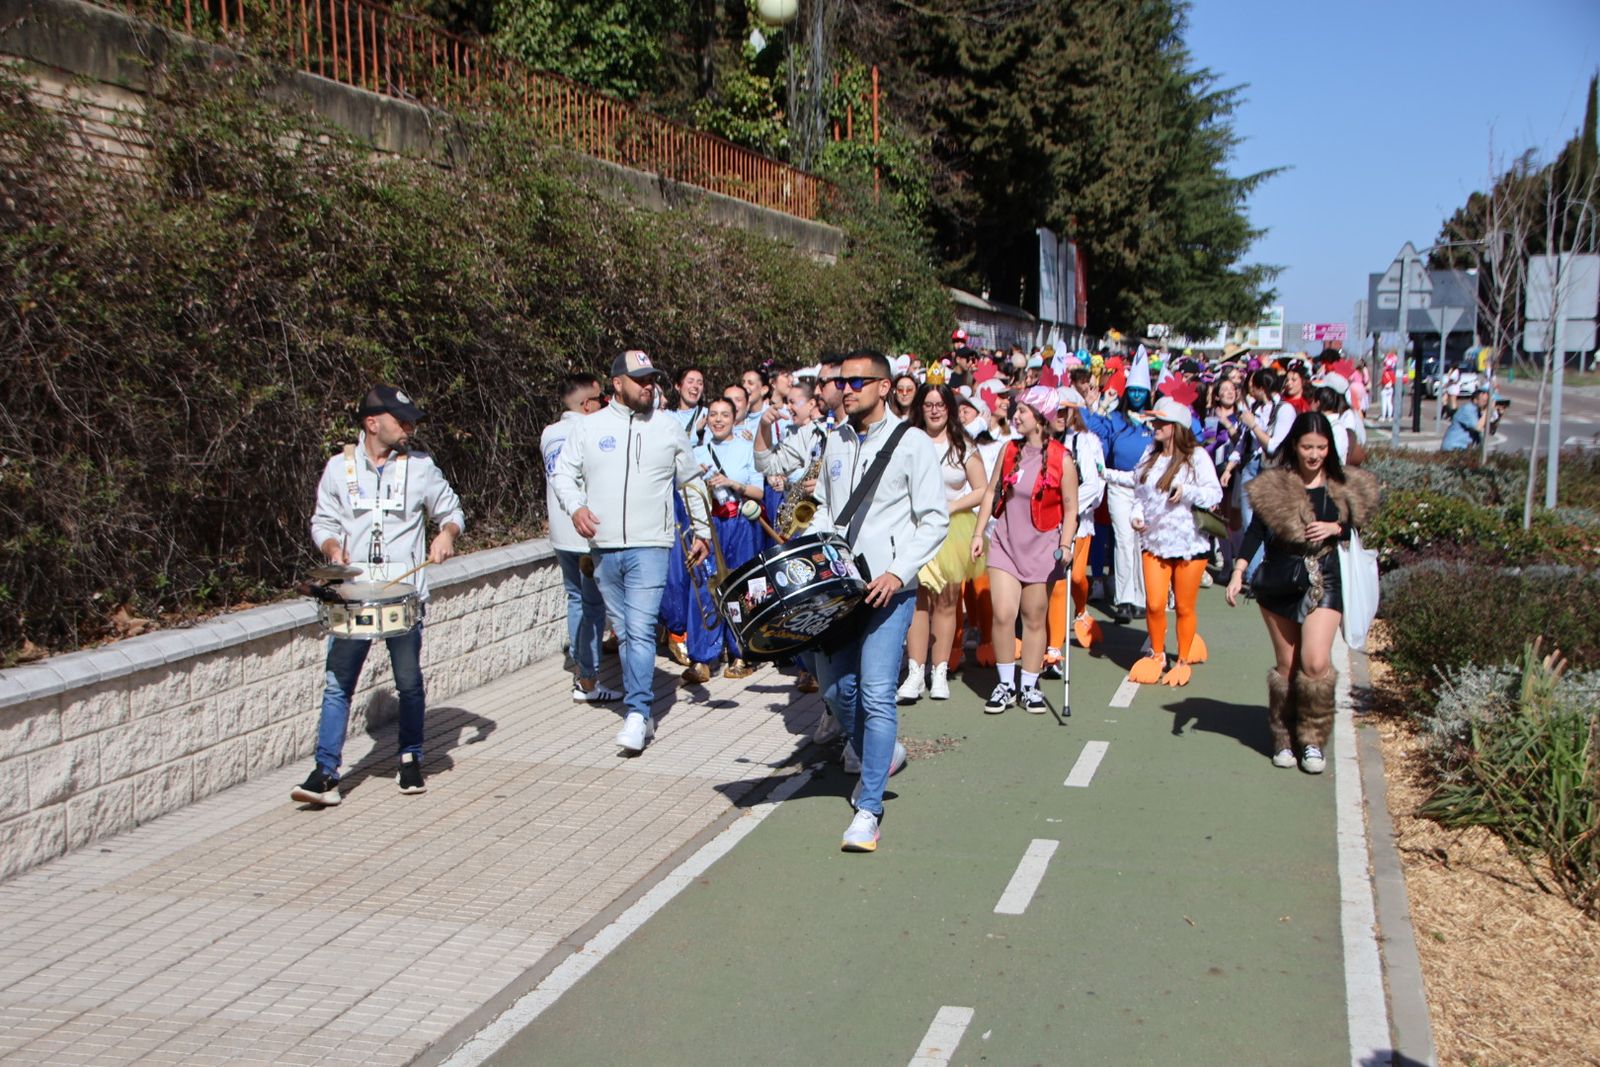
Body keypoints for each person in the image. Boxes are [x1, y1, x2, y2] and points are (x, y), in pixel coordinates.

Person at [291, 385, 465, 807]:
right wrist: (331, 548)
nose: (409, 428)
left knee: (408, 681)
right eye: (401, 421)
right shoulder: (338, 468)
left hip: (404, 594)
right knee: (338, 684)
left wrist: (446, 535)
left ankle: (410, 757)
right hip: (354, 596)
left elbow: (452, 510)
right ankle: (326, 772)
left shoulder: (421, 467)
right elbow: (323, 520)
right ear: (372, 423)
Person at [806, 349, 948, 852]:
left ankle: (868, 809)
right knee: (837, 692)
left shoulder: (911, 444)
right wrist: (817, 541)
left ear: (884, 387)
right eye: (841, 382)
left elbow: (935, 518)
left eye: (857, 381)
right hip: (840, 591)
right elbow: (824, 506)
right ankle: (883, 752)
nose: (846, 389)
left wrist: (897, 571)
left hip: (890, 590)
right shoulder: (836, 440)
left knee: (875, 693)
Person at [550, 351, 711, 754]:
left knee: (639, 631)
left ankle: (637, 712)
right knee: (626, 633)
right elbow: (563, 474)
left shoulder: (668, 427)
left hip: (651, 545)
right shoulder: (590, 428)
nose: (648, 385)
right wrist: (577, 508)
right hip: (603, 548)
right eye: (640, 379)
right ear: (617, 384)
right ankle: (643, 710)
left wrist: (702, 530)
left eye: (652, 378)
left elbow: (691, 480)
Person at [1226, 412, 1379, 773]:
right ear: (1294, 446)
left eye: (1321, 448)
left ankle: (1311, 738)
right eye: (1307, 447)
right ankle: (1283, 734)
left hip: (1324, 576)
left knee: (1314, 662)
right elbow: (1255, 532)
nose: (1314, 455)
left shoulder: (1344, 485)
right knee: (1288, 665)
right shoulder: (1274, 484)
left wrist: (1335, 527)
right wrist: (1238, 571)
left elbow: (1358, 526)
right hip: (1279, 577)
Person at [970, 385, 1079, 713]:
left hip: (1043, 546)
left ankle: (1029, 685)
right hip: (1005, 542)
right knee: (1003, 613)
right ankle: (1005, 683)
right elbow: (990, 493)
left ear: (1041, 419)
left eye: (1023, 412)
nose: (1015, 416)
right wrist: (978, 533)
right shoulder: (1008, 450)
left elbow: (1072, 508)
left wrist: (1066, 544)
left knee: (1034, 617)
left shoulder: (1063, 459)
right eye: (1016, 410)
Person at [1105, 396, 1221, 687]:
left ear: (1176, 427)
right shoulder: (1150, 454)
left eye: (1160, 422)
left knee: (1183, 606)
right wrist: (1136, 514)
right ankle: (1157, 655)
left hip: (1189, 545)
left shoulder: (1197, 457)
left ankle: (1181, 659)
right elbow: (1139, 492)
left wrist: (1187, 491)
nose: (1154, 426)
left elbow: (1214, 494)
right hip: (1154, 543)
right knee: (1155, 604)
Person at [898, 383, 989, 702]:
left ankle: (940, 672)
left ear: (949, 408)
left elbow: (981, 489)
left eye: (940, 404)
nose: (935, 410)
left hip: (951, 530)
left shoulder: (962, 444)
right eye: (928, 404)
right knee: (917, 603)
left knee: (948, 602)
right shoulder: (907, 440)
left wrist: (948, 508)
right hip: (913, 530)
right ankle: (914, 673)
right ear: (919, 408)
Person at [541, 374, 621, 705]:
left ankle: (583, 670)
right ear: (587, 404)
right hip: (585, 534)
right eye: (602, 400)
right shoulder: (590, 431)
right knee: (591, 606)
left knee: (576, 599)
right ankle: (587, 679)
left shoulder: (549, 433)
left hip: (561, 536)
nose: (605, 405)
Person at [682, 397, 764, 683]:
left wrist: (731, 483)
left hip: (740, 523)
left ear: (735, 418)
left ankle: (741, 653)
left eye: (725, 415)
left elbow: (759, 491)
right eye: (713, 414)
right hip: (709, 524)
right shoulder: (696, 452)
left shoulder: (746, 449)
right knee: (705, 587)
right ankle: (702, 658)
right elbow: (685, 489)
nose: (718, 420)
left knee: (742, 588)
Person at [1440, 384, 1492, 452]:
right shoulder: (1468, 409)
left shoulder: (1478, 412)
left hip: (1462, 448)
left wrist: (1498, 414)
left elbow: (1489, 431)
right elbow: (1478, 427)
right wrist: (1488, 411)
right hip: (1453, 447)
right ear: (1475, 400)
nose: (1486, 403)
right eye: (1484, 401)